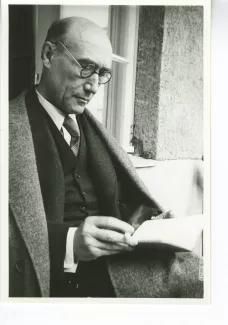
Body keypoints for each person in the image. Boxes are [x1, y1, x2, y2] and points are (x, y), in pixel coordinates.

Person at [9, 16, 203, 298]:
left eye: (102, 73)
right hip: (56, 279)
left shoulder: (94, 130)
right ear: (49, 55)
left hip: (117, 261)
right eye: (86, 68)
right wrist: (70, 242)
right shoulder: (10, 127)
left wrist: (153, 225)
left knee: (205, 273)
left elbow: (124, 202)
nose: (94, 86)